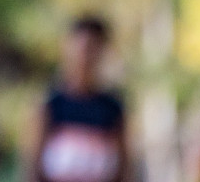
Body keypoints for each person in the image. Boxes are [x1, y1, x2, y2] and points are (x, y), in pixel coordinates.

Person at [27, 15, 129, 182]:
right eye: (83, 48)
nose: (86, 57)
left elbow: (123, 168)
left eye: (94, 49)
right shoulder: (50, 105)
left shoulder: (113, 109)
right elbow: (33, 168)